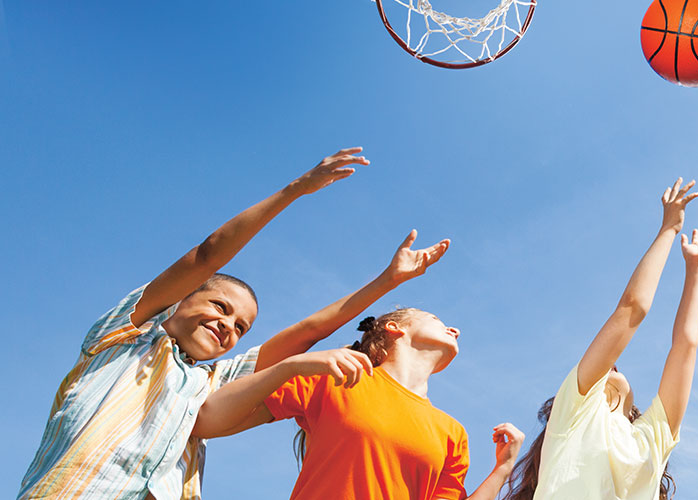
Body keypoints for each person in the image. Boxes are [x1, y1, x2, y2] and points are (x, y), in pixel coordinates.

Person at [15, 148, 448, 499]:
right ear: (178, 302)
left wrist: (387, 281)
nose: (228, 326)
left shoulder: (213, 380)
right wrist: (294, 190)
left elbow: (309, 333)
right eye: (220, 307)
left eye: (241, 327)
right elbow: (208, 256)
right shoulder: (125, 336)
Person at [502, 179, 698, 500]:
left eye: (615, 367)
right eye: (606, 366)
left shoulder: (652, 438)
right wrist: (669, 228)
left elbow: (685, 348)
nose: (610, 365)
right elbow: (631, 309)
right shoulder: (575, 411)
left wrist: (697, 269)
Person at [191, 299, 523, 500]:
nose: (456, 330)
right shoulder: (336, 376)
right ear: (394, 328)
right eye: (438, 320)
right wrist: (290, 367)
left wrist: (503, 468)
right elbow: (208, 421)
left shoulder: (452, 433)